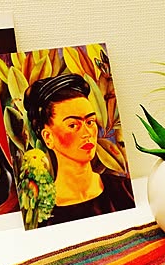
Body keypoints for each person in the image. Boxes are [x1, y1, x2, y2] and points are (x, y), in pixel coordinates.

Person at [26, 73, 134, 226]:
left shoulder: (124, 190)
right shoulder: (41, 214)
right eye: (73, 125)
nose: (87, 133)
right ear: (48, 137)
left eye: (90, 122)